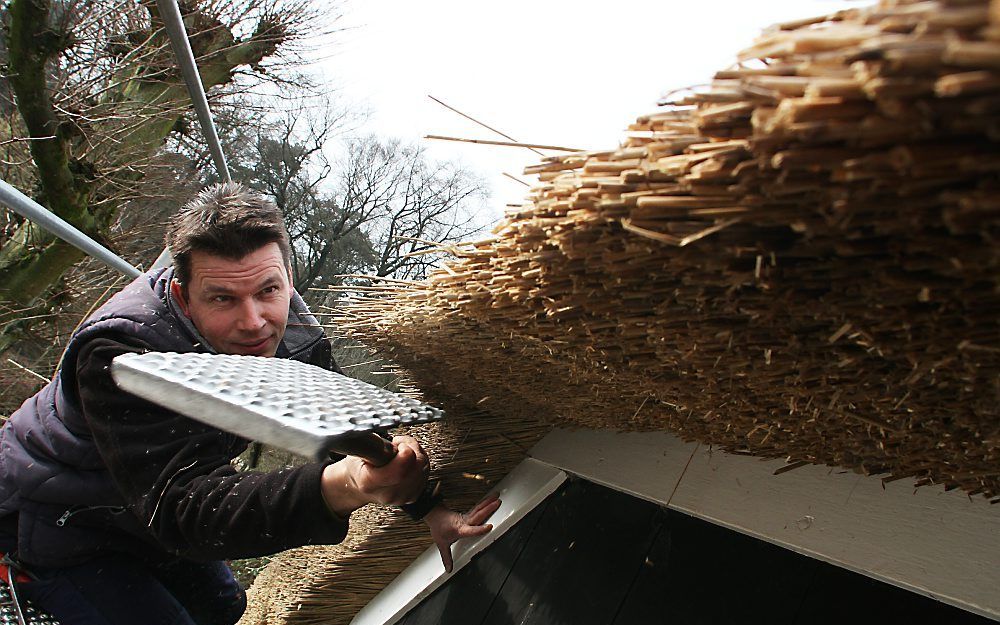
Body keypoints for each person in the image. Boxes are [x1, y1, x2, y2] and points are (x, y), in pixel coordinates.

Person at [0, 182, 500, 624]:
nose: (256, 322)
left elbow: (339, 425)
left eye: (269, 290)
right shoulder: (120, 353)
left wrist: (427, 507)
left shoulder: (291, 331)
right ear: (183, 294)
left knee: (225, 610)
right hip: (58, 517)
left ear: (286, 276)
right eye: (222, 299)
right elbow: (180, 509)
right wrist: (343, 485)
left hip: (145, 501)